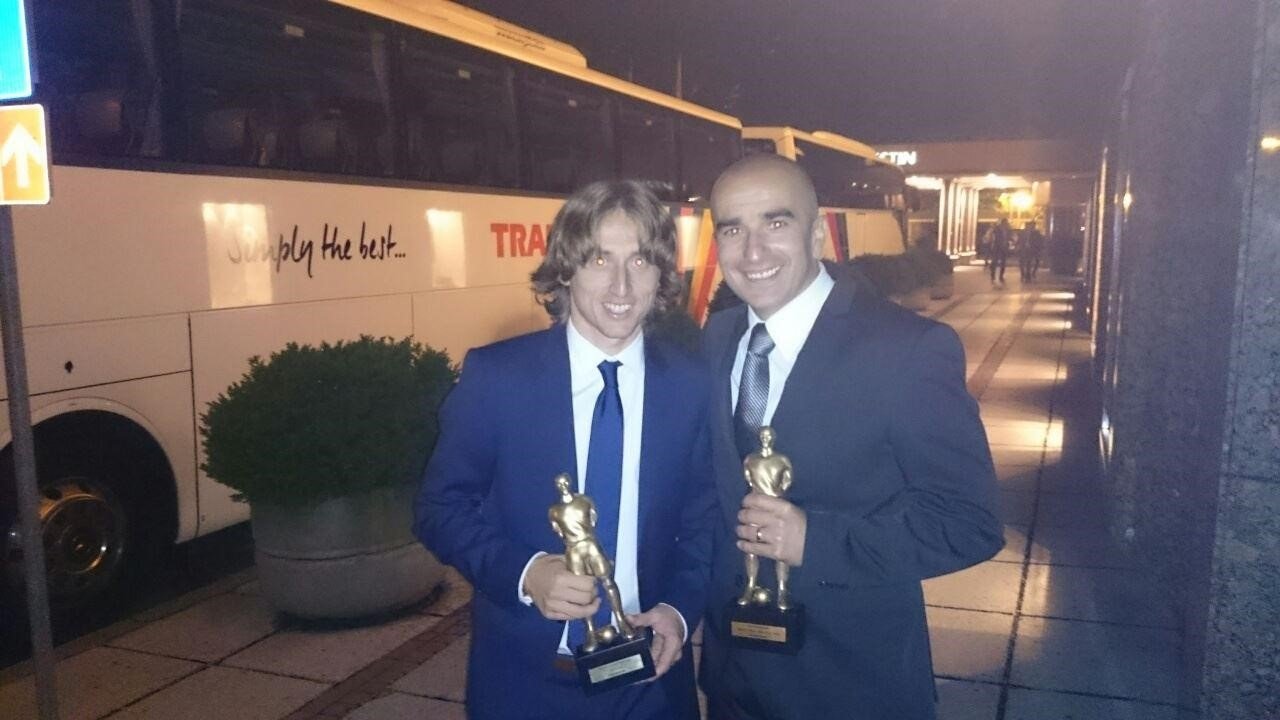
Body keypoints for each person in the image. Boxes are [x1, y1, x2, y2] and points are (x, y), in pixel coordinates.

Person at [699, 155, 1003, 719]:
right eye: (733, 229)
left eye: (776, 222)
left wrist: (815, 541)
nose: (752, 251)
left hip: (851, 686)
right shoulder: (718, 338)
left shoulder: (907, 349)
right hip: (734, 682)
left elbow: (968, 522)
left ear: (818, 233)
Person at [415, 180, 717, 719]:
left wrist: (677, 610)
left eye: (641, 260)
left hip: (650, 682)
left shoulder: (691, 385)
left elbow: (703, 522)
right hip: (526, 683)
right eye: (600, 259)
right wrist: (526, 573)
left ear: (661, 276)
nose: (621, 284)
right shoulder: (498, 378)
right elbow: (439, 508)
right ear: (566, 269)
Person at [989, 217, 1012, 286]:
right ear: (1002, 223)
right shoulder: (997, 229)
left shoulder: (1008, 229)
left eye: (1006, 223)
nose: (1006, 224)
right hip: (997, 247)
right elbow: (993, 236)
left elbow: (1009, 237)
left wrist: (1009, 242)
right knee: (994, 261)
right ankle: (993, 275)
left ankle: (1001, 276)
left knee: (1003, 262)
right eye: (1005, 223)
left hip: (1004, 248)